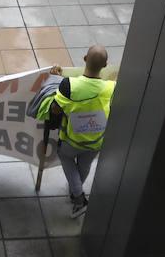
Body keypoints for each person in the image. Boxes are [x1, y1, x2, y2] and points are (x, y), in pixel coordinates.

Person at [39, 47, 115, 218]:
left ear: (85, 58)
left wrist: (56, 80)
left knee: (65, 157)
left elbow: (55, 109)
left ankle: (79, 198)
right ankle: (75, 194)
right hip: (96, 142)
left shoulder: (68, 85)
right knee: (85, 165)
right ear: (105, 65)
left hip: (71, 140)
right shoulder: (112, 88)